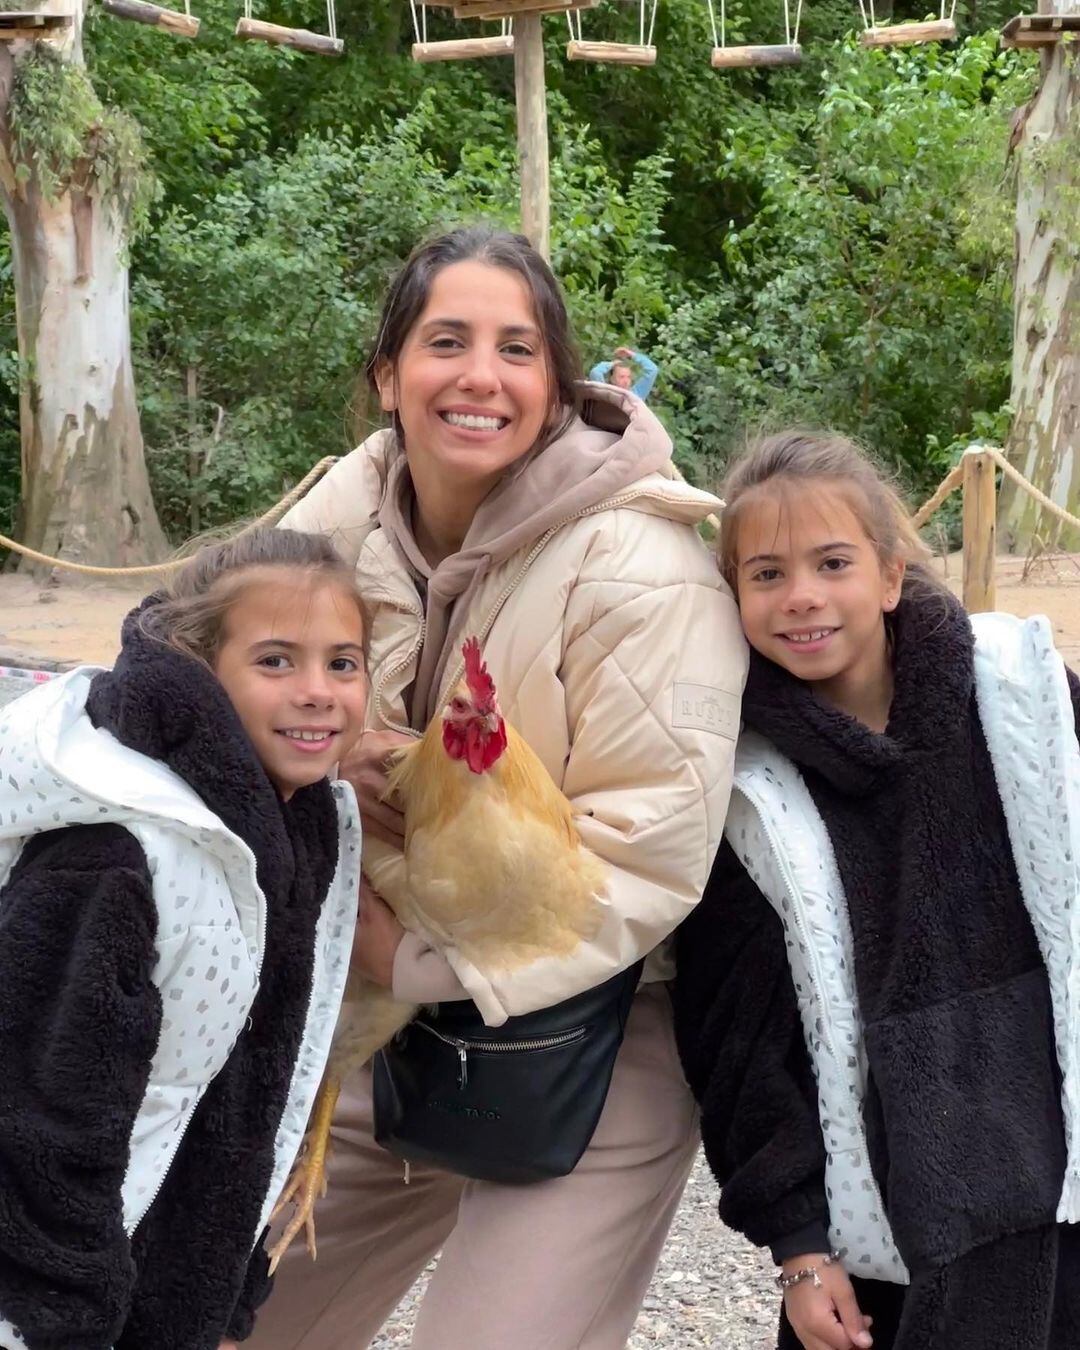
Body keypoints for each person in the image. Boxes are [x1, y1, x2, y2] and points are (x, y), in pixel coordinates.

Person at [253, 223, 747, 1350]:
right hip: (382, 1019)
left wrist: (402, 953)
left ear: (556, 383)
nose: (481, 376)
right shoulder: (342, 509)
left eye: (517, 349)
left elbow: (647, 846)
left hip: (589, 1031)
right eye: (446, 341)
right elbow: (208, 665)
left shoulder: (641, 560)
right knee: (226, 1308)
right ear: (388, 374)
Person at [672, 430, 1080, 1350]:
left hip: (1056, 1177)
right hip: (885, 1216)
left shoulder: (1021, 696)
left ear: (891, 577)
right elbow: (736, 1031)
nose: (803, 596)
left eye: (833, 563)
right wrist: (800, 1248)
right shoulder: (745, 785)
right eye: (767, 574)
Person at [0, 528, 367, 1350]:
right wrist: (66, 1324)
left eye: (343, 662)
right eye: (276, 661)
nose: (318, 692)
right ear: (199, 671)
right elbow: (34, 1124)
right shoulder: (116, 858)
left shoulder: (298, 830)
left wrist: (230, 1299)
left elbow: (258, 1092)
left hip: (163, 1294)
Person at [589, 344, 659, 400]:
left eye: (628, 377)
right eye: (621, 377)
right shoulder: (605, 392)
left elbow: (652, 370)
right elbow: (595, 373)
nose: (626, 381)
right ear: (612, 379)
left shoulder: (636, 394)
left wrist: (631, 354)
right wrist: (612, 364)